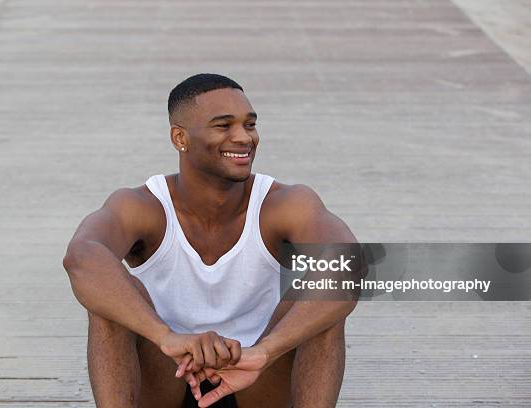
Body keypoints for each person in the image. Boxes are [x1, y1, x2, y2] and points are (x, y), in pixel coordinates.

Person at [63, 73, 359, 407]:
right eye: (223, 126)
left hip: (258, 379)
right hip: (167, 376)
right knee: (109, 299)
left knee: (325, 294)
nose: (243, 137)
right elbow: (82, 258)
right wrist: (168, 338)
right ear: (180, 138)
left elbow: (350, 263)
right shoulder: (142, 206)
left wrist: (264, 352)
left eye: (249, 125)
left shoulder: (286, 204)